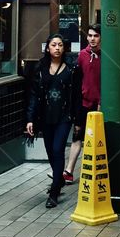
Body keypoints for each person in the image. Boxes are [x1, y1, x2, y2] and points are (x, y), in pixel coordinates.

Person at [25, 34, 82, 208]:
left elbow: (78, 96)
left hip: (64, 116)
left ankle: (55, 191)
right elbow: (34, 95)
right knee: (50, 151)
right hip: (45, 116)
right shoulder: (40, 68)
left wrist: (78, 119)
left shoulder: (72, 69)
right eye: (53, 45)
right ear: (48, 48)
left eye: (59, 45)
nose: (57, 48)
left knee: (58, 149)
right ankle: (59, 179)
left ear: (64, 48)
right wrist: (30, 119)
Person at [64, 24, 101, 183]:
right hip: (83, 103)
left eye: (96, 36)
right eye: (90, 35)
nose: (92, 39)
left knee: (97, 139)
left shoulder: (106, 55)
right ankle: (69, 171)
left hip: (99, 103)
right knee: (77, 135)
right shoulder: (81, 55)